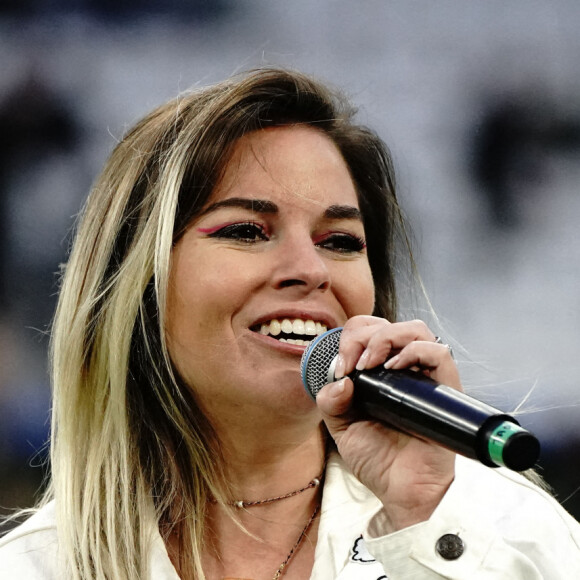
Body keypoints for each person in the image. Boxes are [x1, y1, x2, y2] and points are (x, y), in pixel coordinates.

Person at [0, 67, 579, 580]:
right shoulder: (33, 567)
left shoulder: (504, 536)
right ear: (138, 281)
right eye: (246, 231)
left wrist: (426, 520)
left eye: (341, 242)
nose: (310, 270)